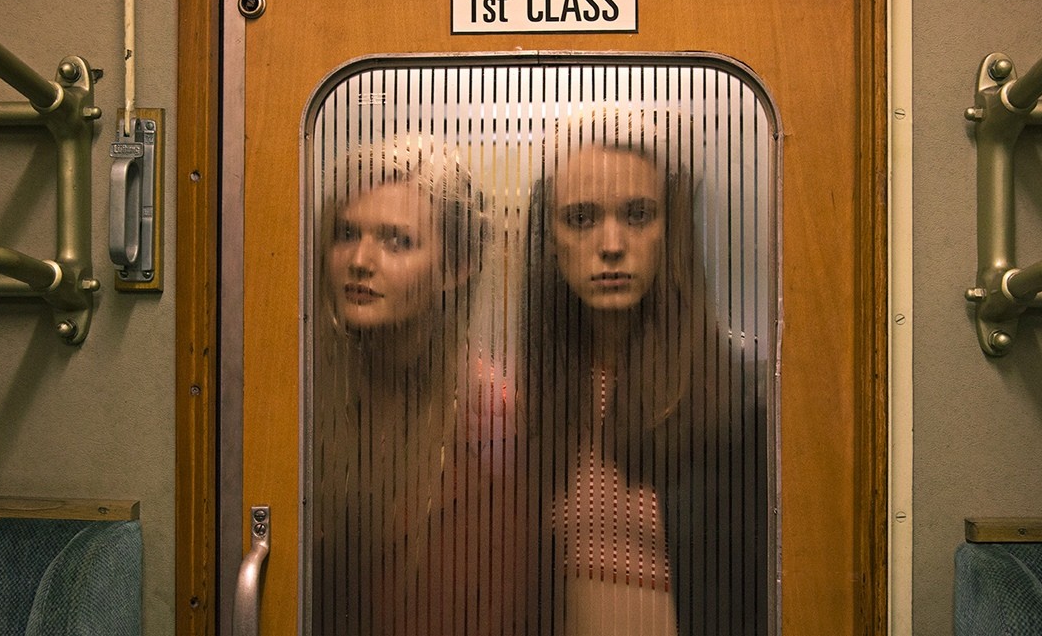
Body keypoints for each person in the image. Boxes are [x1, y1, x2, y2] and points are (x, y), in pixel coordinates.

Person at [523, 108, 757, 635]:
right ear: (550, 239)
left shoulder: (737, 404)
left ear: (669, 230)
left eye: (637, 214)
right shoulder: (532, 401)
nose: (611, 245)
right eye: (581, 218)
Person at [314, 135, 525, 635]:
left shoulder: (495, 418)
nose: (360, 259)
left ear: (457, 266)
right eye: (347, 232)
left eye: (397, 241)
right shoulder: (307, 396)